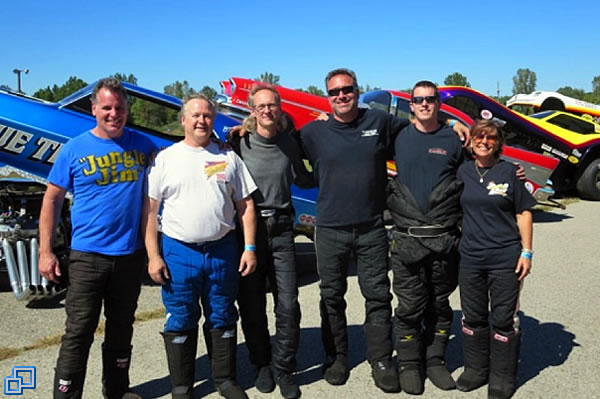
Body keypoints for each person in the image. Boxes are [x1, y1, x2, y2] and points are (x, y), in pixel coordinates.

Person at [299, 68, 469, 393]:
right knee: (331, 297)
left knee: (377, 296)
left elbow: (423, 125)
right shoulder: (313, 133)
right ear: (328, 96)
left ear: (357, 90)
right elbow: (283, 148)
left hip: (372, 227)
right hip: (330, 228)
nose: (341, 96)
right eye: (334, 92)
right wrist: (242, 131)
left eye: (347, 89)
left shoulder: (379, 123)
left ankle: (380, 359)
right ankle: (336, 358)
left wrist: (451, 122)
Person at [39, 78, 158, 399]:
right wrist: (45, 251)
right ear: (94, 109)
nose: (114, 113)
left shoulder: (145, 146)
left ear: (127, 110)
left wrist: (228, 140)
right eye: (106, 107)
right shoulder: (74, 149)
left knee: (121, 330)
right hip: (87, 258)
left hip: (130, 256)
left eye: (119, 107)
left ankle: (117, 392)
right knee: (78, 333)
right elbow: (51, 200)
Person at [142, 94, 258, 399]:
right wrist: (153, 256)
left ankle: (225, 380)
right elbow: (150, 212)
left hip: (222, 250)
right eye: (195, 115)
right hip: (180, 252)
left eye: (207, 115)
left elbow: (245, 205)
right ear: (183, 120)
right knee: (180, 317)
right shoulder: (165, 159)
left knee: (222, 313)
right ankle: (181, 386)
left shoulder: (228, 156)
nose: (201, 120)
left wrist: (250, 248)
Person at [230, 85, 314, 399]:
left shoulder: (290, 143)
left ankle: (284, 367)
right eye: (261, 106)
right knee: (252, 305)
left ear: (280, 108)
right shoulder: (238, 142)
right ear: (252, 110)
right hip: (248, 233)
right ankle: (261, 363)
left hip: (281, 229)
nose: (267, 110)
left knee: (288, 304)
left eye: (272, 105)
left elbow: (306, 177)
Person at [386, 80, 464, 394]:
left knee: (439, 304)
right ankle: (408, 363)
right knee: (408, 307)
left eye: (431, 99)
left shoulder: (456, 138)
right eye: (418, 99)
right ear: (411, 104)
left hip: (444, 240)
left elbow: (477, 172)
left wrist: (512, 175)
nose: (424, 104)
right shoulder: (398, 135)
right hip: (406, 240)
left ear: (438, 103)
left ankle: (434, 360)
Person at [455, 119, 535, 399]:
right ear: (471, 140)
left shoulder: (510, 172)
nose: (484, 142)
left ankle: (502, 377)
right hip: (471, 258)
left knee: (503, 319)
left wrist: (527, 251)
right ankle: (476, 370)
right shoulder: (463, 171)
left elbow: (524, 212)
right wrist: (453, 123)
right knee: (473, 316)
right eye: (479, 136)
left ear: (498, 143)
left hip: (505, 257)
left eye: (491, 138)